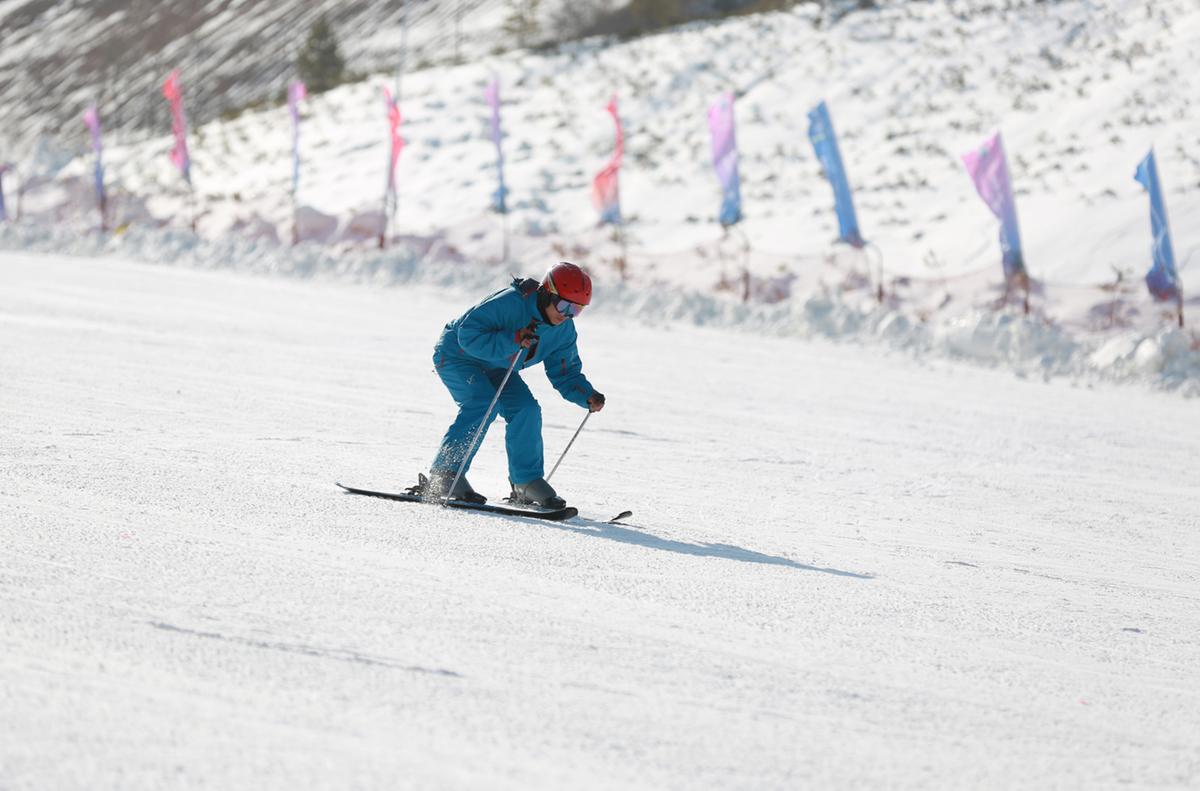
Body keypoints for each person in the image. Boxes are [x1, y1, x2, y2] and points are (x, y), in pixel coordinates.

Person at [419, 262, 605, 509]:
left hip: (497, 366)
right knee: (483, 403)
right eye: (564, 305)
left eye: (577, 309)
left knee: (526, 409)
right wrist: (513, 339)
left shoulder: (563, 330)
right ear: (547, 293)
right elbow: (468, 335)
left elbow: (565, 371)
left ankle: (525, 482)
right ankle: (445, 474)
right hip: (458, 355)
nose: (567, 314)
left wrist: (586, 394)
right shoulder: (510, 303)